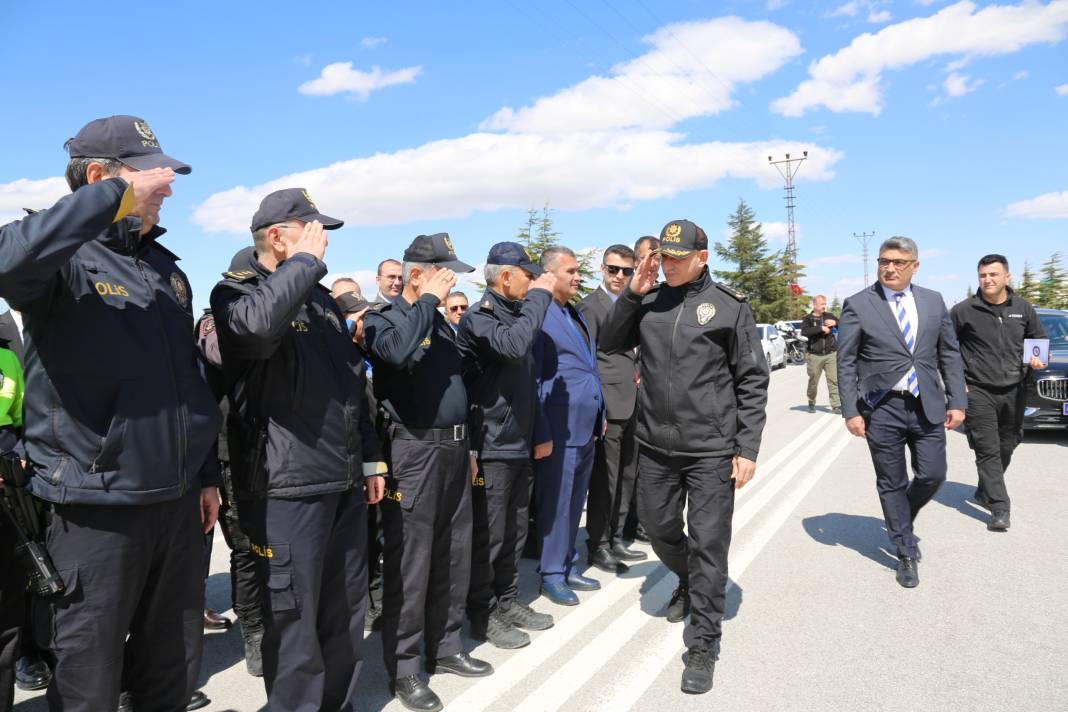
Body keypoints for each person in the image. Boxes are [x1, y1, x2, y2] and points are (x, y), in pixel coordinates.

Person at [0, 115, 223, 711]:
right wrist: (110, 197)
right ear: (99, 177)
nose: (168, 187)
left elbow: (187, 384)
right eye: (153, 175)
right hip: (95, 509)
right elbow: (4, 261)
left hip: (176, 506)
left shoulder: (164, 269)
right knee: (87, 677)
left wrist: (204, 477)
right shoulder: (58, 257)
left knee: (171, 667)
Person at [210, 188, 387, 711]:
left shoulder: (321, 298)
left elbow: (354, 389)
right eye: (311, 231)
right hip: (285, 486)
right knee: (294, 618)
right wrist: (304, 264)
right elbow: (257, 331)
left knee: (344, 612)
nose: (322, 242)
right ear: (277, 236)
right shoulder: (235, 293)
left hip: (342, 479)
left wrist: (371, 460)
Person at [600, 219, 768, 695]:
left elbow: (753, 380)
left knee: (710, 542)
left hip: (711, 449)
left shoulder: (729, 309)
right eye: (662, 256)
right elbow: (610, 343)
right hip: (655, 445)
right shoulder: (649, 301)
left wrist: (747, 447)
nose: (668, 264)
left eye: (676, 257)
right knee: (659, 529)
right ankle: (692, 579)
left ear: (702, 257)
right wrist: (633, 292)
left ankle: (702, 644)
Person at [364, 233, 492, 712]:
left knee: (453, 554)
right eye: (443, 272)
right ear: (417, 274)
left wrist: (471, 445)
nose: (451, 279)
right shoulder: (386, 319)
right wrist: (429, 301)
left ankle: (447, 645)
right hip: (414, 454)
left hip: (456, 451)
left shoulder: (438, 322)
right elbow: (395, 355)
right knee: (411, 565)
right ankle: (406, 668)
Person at [837, 236, 967, 589]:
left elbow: (949, 354)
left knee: (932, 474)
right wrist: (851, 410)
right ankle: (905, 550)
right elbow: (845, 361)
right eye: (884, 261)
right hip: (882, 407)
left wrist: (957, 401)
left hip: (927, 403)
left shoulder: (933, 301)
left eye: (898, 262)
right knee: (890, 481)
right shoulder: (859, 304)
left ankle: (900, 518)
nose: (889, 268)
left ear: (914, 265)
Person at [458, 242, 557, 650]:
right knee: (491, 537)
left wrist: (538, 432)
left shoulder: (516, 316)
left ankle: (508, 600)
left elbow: (526, 386)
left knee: (515, 532)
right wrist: (539, 297)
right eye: (528, 277)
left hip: (517, 443)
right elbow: (514, 346)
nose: (533, 283)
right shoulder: (480, 318)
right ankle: (482, 615)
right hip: (492, 445)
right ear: (505, 277)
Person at [951, 254, 1047, 532]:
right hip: (978, 389)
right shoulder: (963, 310)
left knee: (1009, 442)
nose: (987, 280)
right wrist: (957, 382)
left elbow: (1037, 337)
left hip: (1015, 389)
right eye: (983, 275)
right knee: (987, 448)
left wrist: (1037, 357)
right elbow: (945, 347)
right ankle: (1000, 507)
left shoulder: (1023, 308)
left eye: (993, 274)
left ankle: (985, 488)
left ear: (1007, 277)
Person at [531, 246, 605, 607]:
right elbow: (535, 380)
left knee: (576, 502)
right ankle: (551, 574)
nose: (577, 277)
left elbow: (587, 367)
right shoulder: (541, 313)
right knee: (556, 505)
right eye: (571, 271)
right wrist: (541, 430)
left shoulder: (572, 312)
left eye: (578, 271)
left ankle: (568, 564)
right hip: (558, 426)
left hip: (584, 424)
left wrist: (599, 411)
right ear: (549, 275)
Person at [194, 309, 264, 676]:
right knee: (246, 548)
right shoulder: (214, 320)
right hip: (227, 455)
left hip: (269, 451)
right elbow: (220, 353)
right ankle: (254, 632)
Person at [578, 244, 646, 574]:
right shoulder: (590, 307)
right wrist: (597, 408)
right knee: (605, 480)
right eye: (613, 269)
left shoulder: (635, 304)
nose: (619, 276)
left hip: (634, 403)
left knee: (627, 476)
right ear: (602, 270)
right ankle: (598, 544)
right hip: (609, 405)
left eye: (626, 271)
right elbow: (587, 362)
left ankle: (617, 536)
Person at [0, 336, 24, 712]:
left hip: (7, 500)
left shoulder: (7, 358)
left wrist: (18, 456)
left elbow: (23, 421)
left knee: (5, 622)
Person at [800, 294, 841, 413]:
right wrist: (821, 328)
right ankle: (811, 401)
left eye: (825, 304)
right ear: (815, 305)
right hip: (814, 356)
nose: (824, 306)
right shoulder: (808, 318)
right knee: (813, 381)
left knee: (833, 380)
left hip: (830, 354)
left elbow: (843, 324)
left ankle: (836, 405)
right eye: (822, 304)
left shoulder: (829, 316)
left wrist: (835, 322)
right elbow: (805, 331)